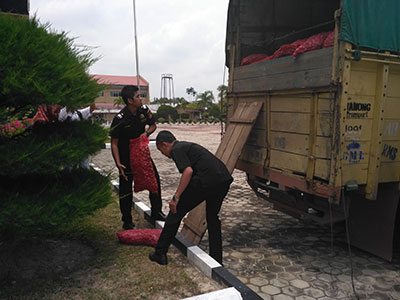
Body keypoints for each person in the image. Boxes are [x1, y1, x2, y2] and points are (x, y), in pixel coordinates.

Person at [149, 130, 233, 265]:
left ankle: (160, 253)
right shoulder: (185, 146)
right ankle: (217, 260)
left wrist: (176, 198)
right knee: (212, 218)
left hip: (206, 180)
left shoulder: (176, 149)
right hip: (222, 180)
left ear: (164, 145)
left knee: (175, 212)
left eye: (161, 150)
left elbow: (188, 171)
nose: (164, 155)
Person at [110, 85, 165, 230]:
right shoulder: (119, 119)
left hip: (141, 154)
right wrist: (118, 163)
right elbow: (114, 143)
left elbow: (153, 125)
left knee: (154, 180)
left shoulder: (144, 111)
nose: (140, 98)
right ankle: (127, 221)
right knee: (126, 189)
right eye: (137, 96)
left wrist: (146, 134)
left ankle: (156, 211)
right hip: (126, 157)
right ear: (129, 100)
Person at [58, 103, 96, 169]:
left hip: (81, 145)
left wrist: (91, 97)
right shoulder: (63, 112)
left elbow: (91, 108)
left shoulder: (79, 113)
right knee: (69, 168)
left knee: (85, 167)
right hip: (69, 145)